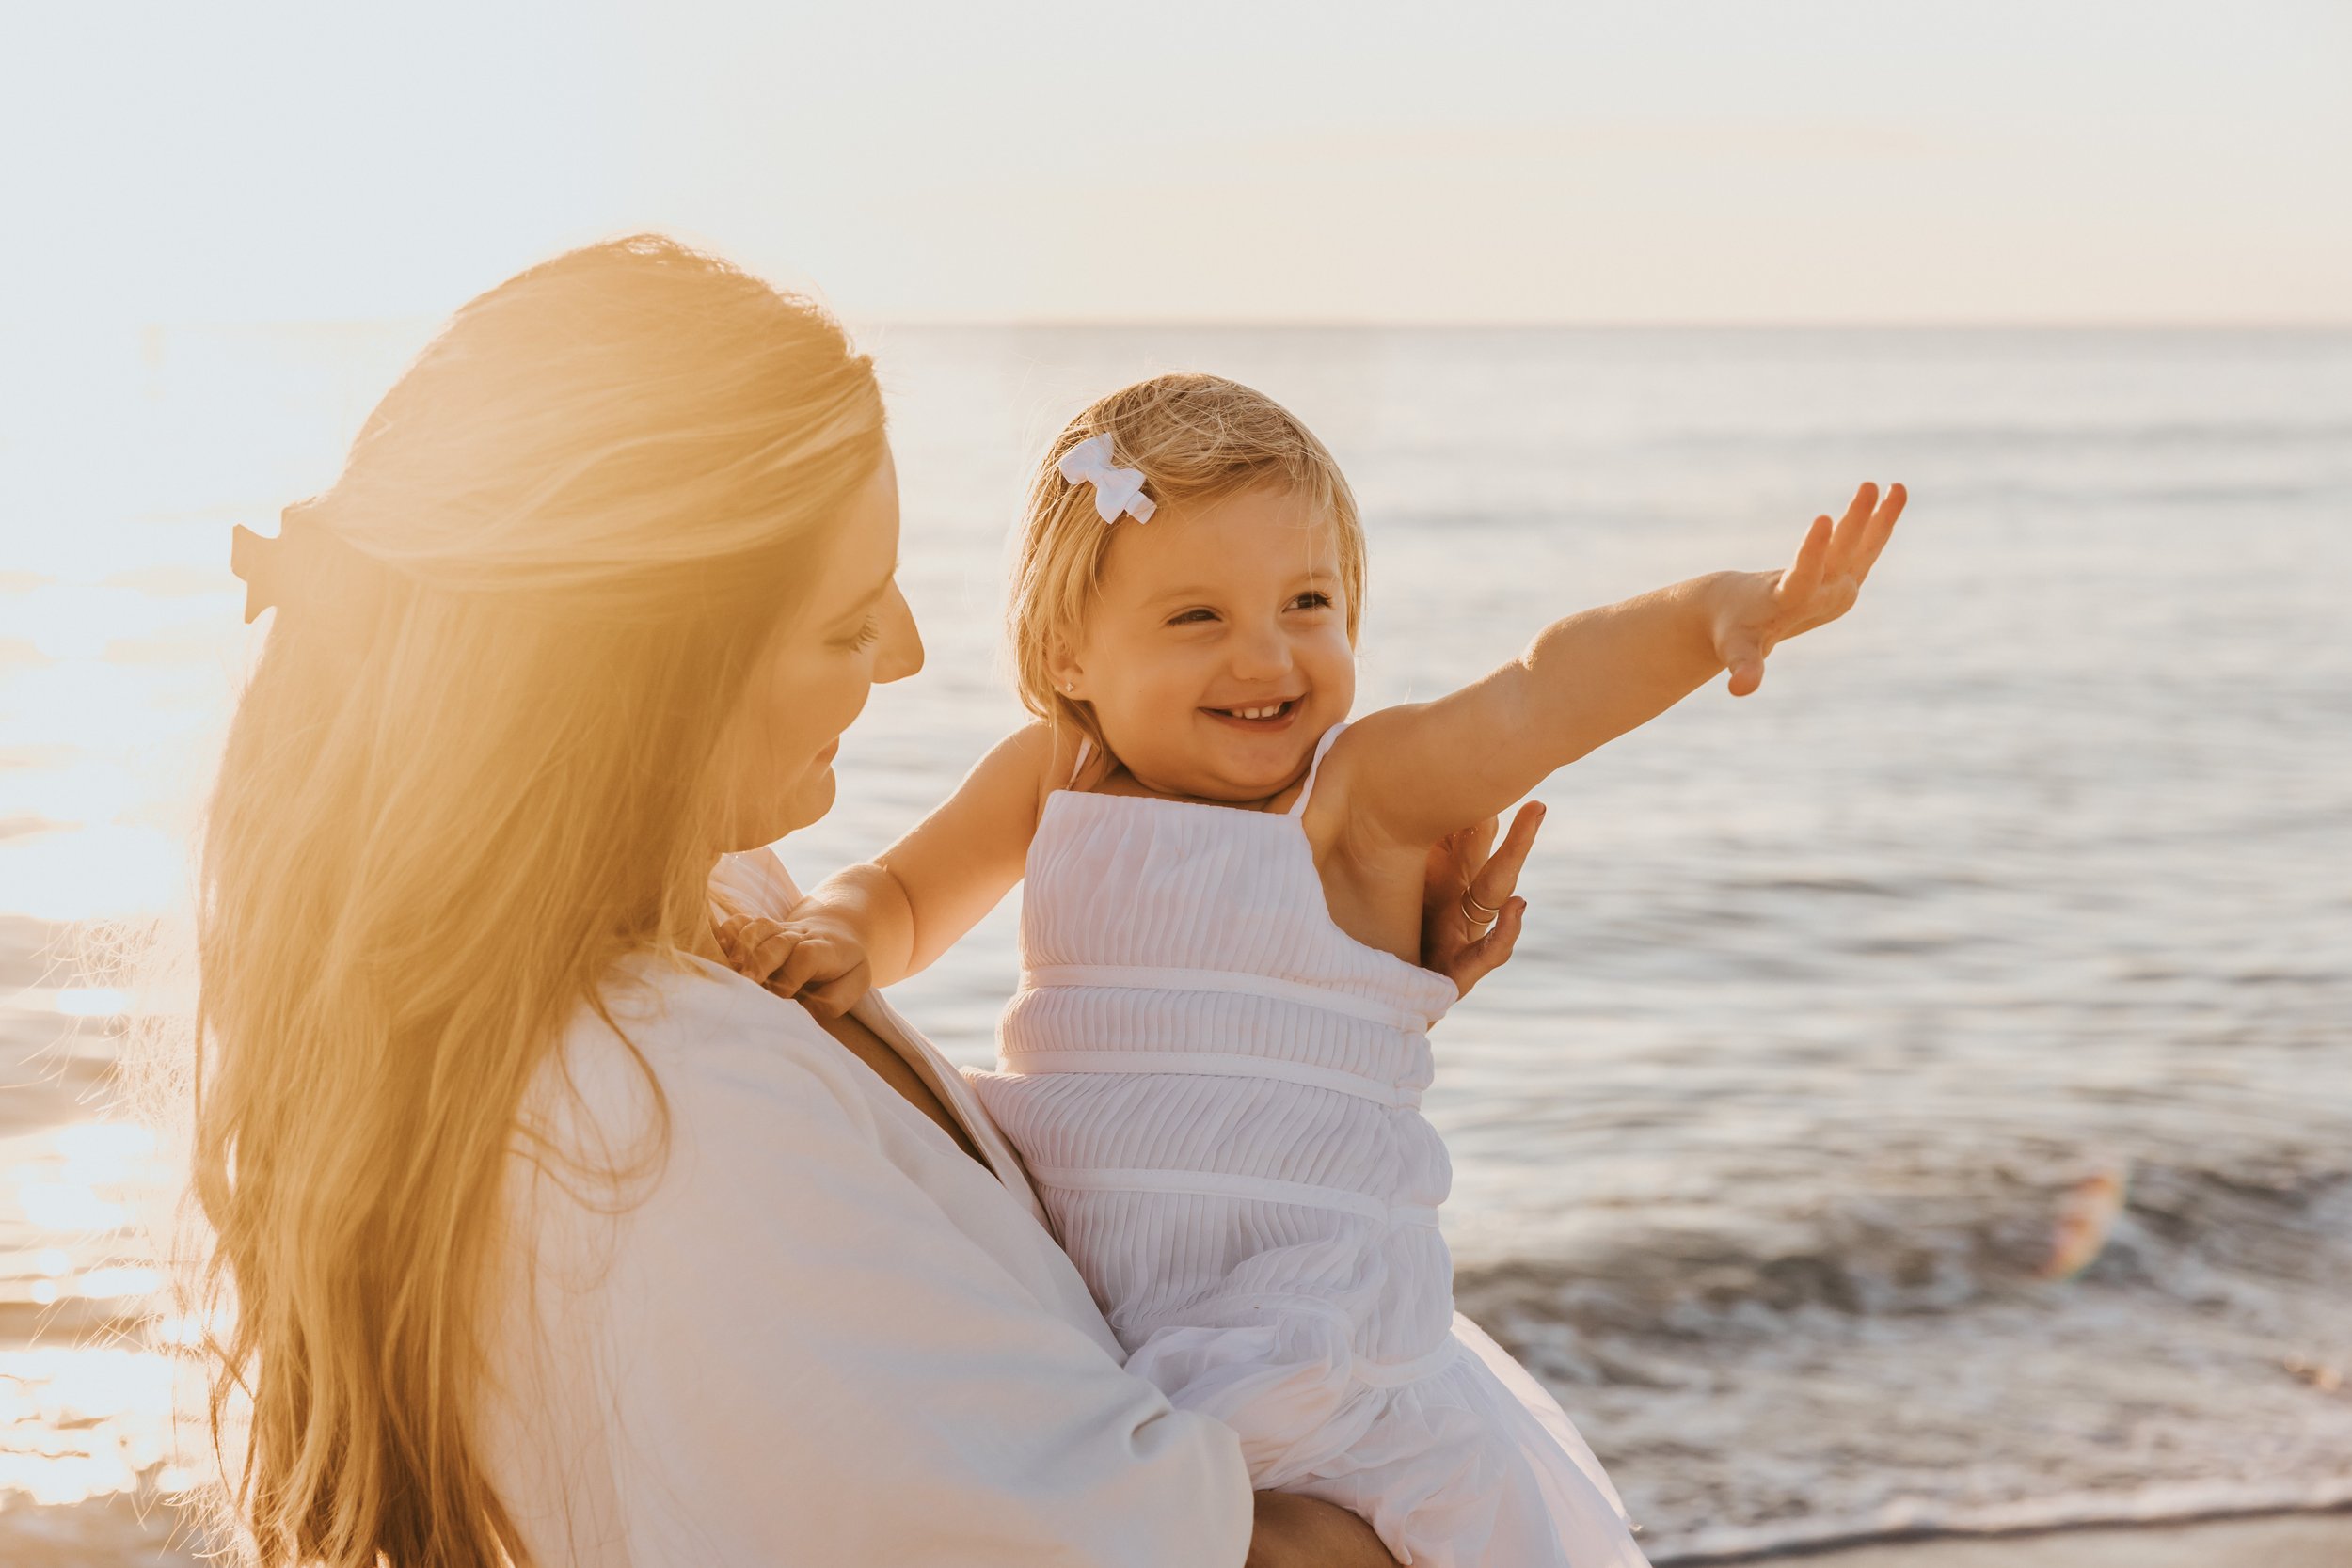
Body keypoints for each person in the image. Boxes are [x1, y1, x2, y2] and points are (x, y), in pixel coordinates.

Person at [190, 235, 1539, 1568]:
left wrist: (1306, 1015)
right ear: (653, 664)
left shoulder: (722, 906)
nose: (907, 651)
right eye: (847, 621)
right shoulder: (654, 1116)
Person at [718, 373, 1906, 1566]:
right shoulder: (1053, 774)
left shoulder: (1354, 797)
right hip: (1094, 1304)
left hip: (1306, 1329)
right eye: (1198, 617)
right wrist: (838, 932)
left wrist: (1710, 615)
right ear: (1068, 650)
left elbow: (1543, 691)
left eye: (1308, 601)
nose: (1267, 654)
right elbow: (908, 890)